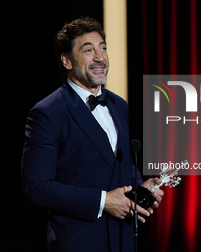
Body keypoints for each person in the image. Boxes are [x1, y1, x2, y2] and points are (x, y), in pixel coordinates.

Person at [21, 17, 164, 252]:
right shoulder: (47, 113)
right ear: (66, 61)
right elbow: (37, 187)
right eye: (88, 50)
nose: (100, 57)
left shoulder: (119, 105)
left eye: (103, 48)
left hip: (123, 240)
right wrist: (103, 202)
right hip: (79, 242)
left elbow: (120, 164)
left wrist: (141, 187)